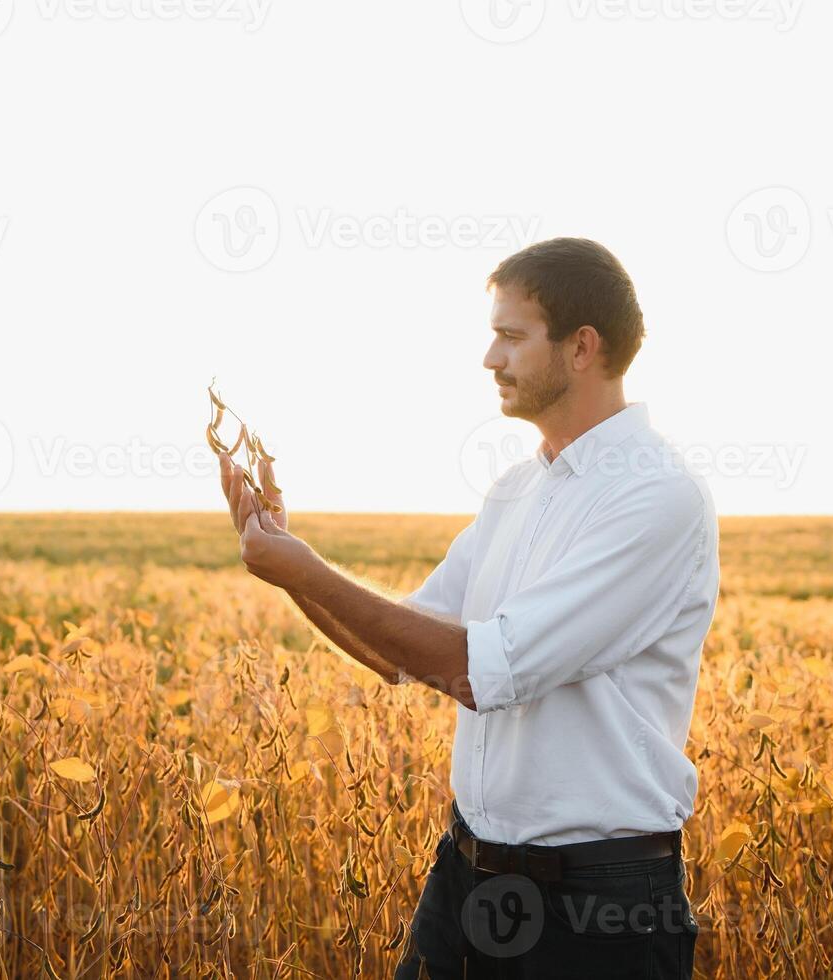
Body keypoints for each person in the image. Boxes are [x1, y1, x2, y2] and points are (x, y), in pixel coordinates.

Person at [216, 237, 716, 978]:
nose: (490, 358)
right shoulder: (518, 489)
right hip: (468, 871)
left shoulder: (654, 495)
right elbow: (397, 651)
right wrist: (284, 560)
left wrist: (307, 571)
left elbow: (481, 672)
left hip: (597, 907)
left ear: (583, 347)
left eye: (512, 337)